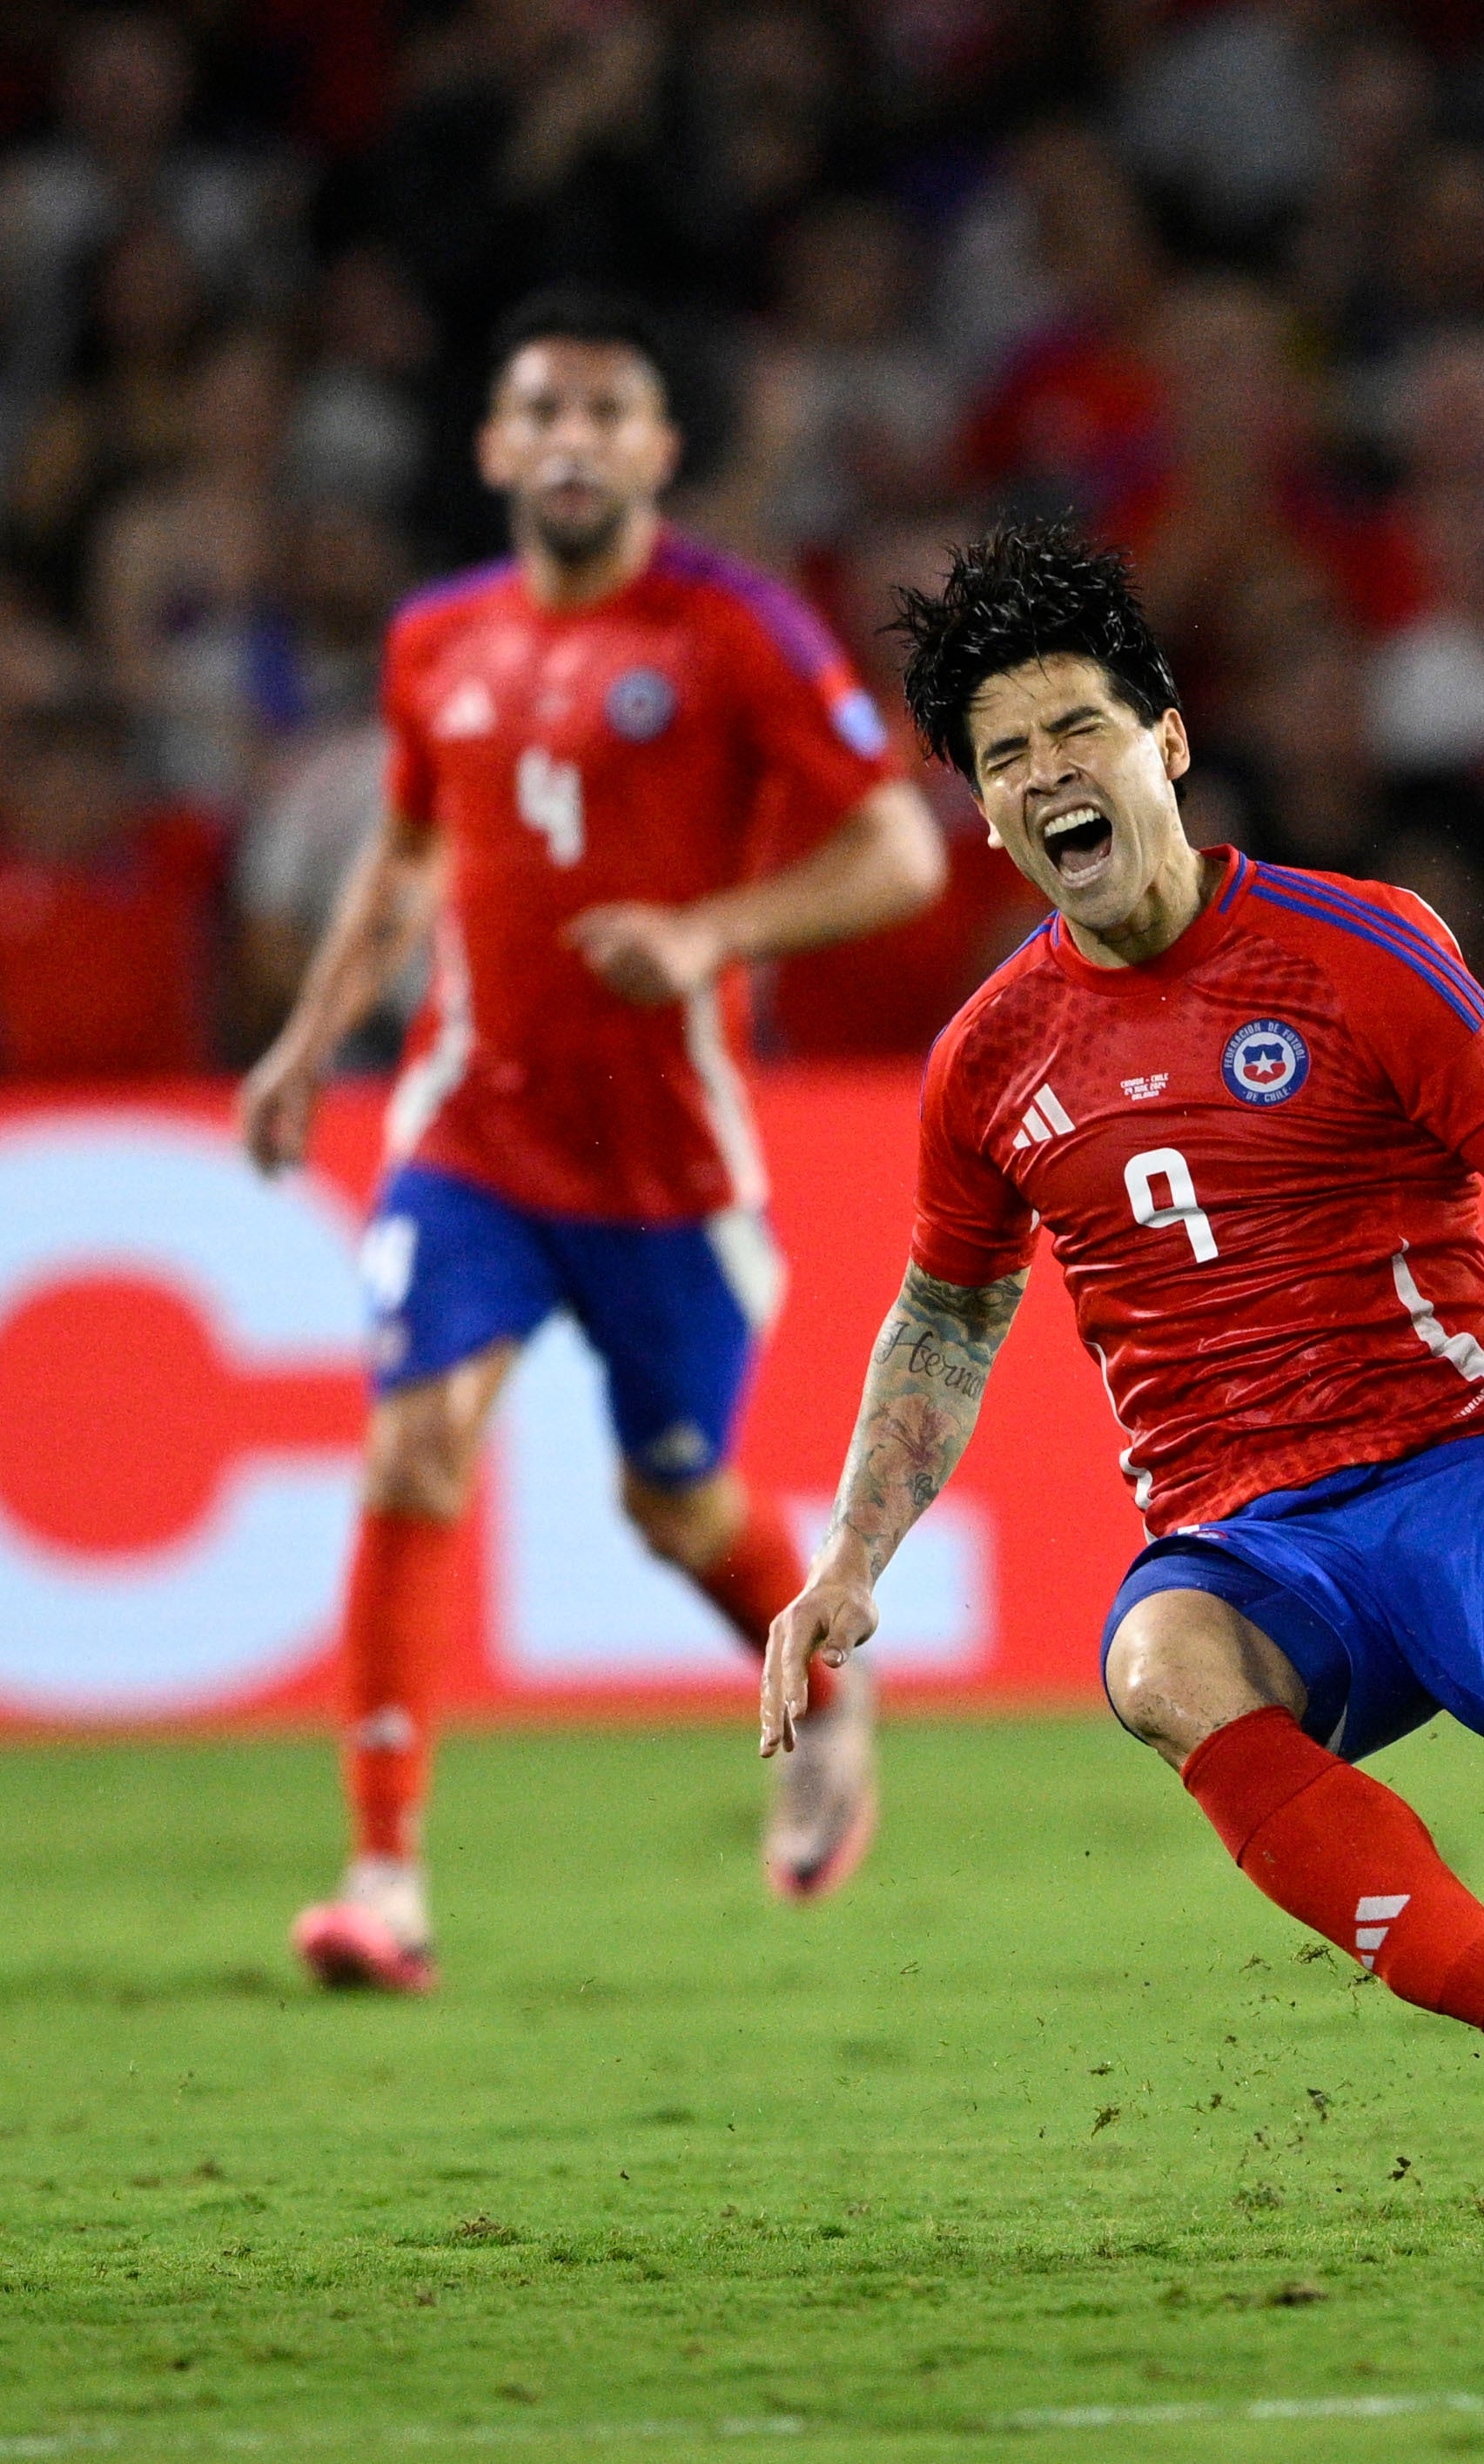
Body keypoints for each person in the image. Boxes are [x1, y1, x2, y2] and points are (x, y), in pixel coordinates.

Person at [762, 524, 1484, 2182]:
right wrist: (852, 1557)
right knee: (1158, 1666)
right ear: (987, 810)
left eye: (1073, 728)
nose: (1043, 774)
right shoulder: (987, 1059)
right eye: (1001, 757)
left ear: (1163, 740)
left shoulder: (1358, 948)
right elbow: (944, 1314)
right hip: (1244, 1542)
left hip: (1465, 1479)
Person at [236, 286, 949, 1992]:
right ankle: (384, 1880)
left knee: (673, 1495)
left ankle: (829, 1700)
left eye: (603, 413)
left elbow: (899, 855)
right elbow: (406, 862)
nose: (569, 440)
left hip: (663, 1164)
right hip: (468, 1133)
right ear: (493, 446)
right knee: (414, 1452)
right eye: (538, 411)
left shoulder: (734, 630)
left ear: (656, 449)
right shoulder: (438, 643)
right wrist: (306, 1041)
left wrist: (713, 934)